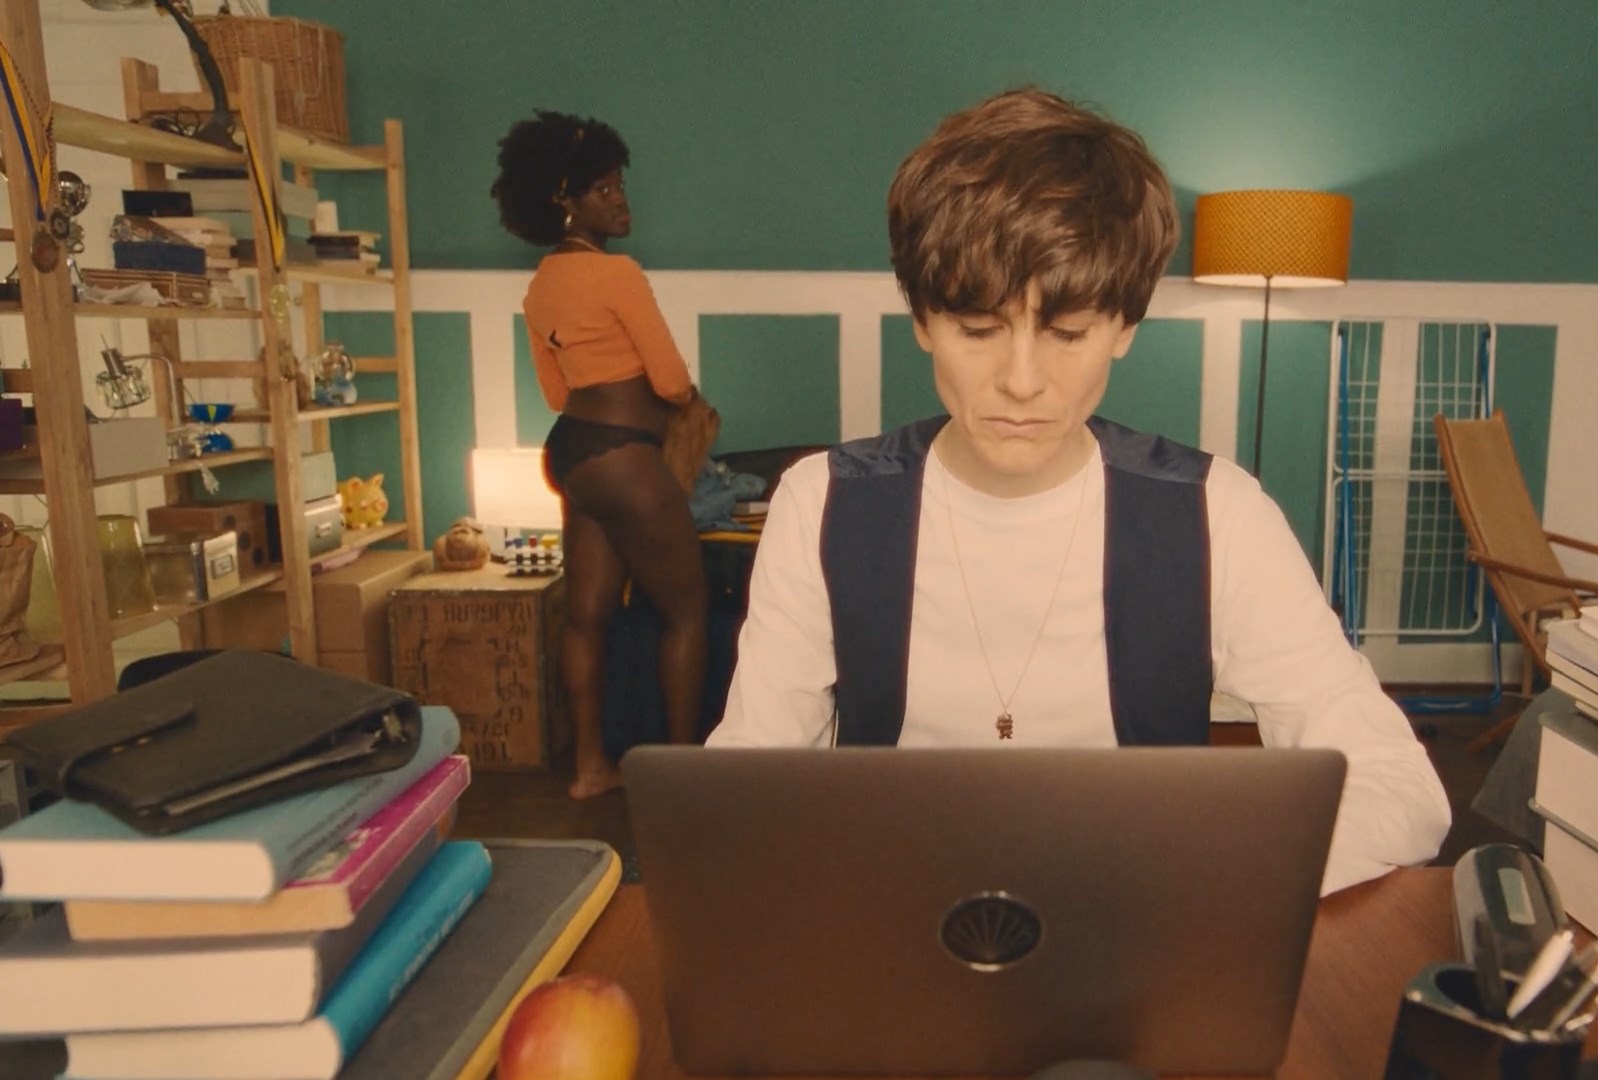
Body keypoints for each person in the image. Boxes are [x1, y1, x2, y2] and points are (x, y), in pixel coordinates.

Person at [703, 87, 1450, 895]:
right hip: (891, 925)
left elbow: (1399, 791)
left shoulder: (1217, 513)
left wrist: (1205, 879)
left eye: (1067, 333)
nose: (1022, 381)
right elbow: (746, 785)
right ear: (921, 320)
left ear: (1124, 327)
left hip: (1147, 928)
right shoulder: (822, 502)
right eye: (978, 330)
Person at [491, 111, 708, 798]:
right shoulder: (618, 275)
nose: (621, 200)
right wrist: (686, 404)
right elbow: (670, 380)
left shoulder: (539, 287)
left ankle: (589, 768)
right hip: (625, 457)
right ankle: (682, 780)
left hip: (572, 454)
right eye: (605, 189)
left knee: (586, 616)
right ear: (566, 200)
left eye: (620, 185)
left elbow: (556, 392)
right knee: (687, 612)